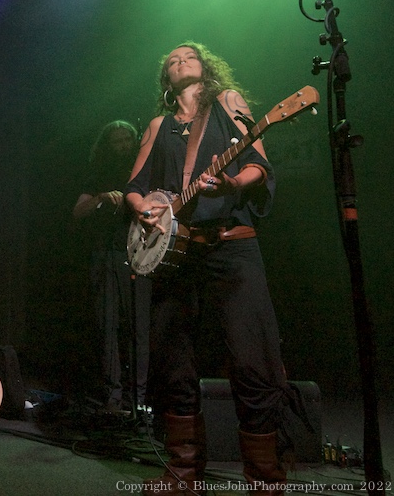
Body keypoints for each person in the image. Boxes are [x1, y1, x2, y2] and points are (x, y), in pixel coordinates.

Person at [126, 42, 304, 496]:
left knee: (252, 359)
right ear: (166, 78)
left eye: (189, 55)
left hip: (231, 246)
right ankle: (183, 473)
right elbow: (135, 185)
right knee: (173, 362)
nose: (179, 60)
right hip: (177, 254)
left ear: (205, 66)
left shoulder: (228, 102)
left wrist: (231, 181)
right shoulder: (158, 126)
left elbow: (258, 162)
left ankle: (265, 480)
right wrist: (142, 207)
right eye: (171, 59)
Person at [72, 120, 150, 415]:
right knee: (108, 326)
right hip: (107, 253)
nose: (123, 147)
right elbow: (77, 211)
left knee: (139, 327)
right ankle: (113, 396)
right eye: (117, 142)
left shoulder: (142, 171)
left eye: (127, 140)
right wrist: (101, 198)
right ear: (107, 146)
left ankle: (138, 397)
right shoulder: (98, 175)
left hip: (142, 254)